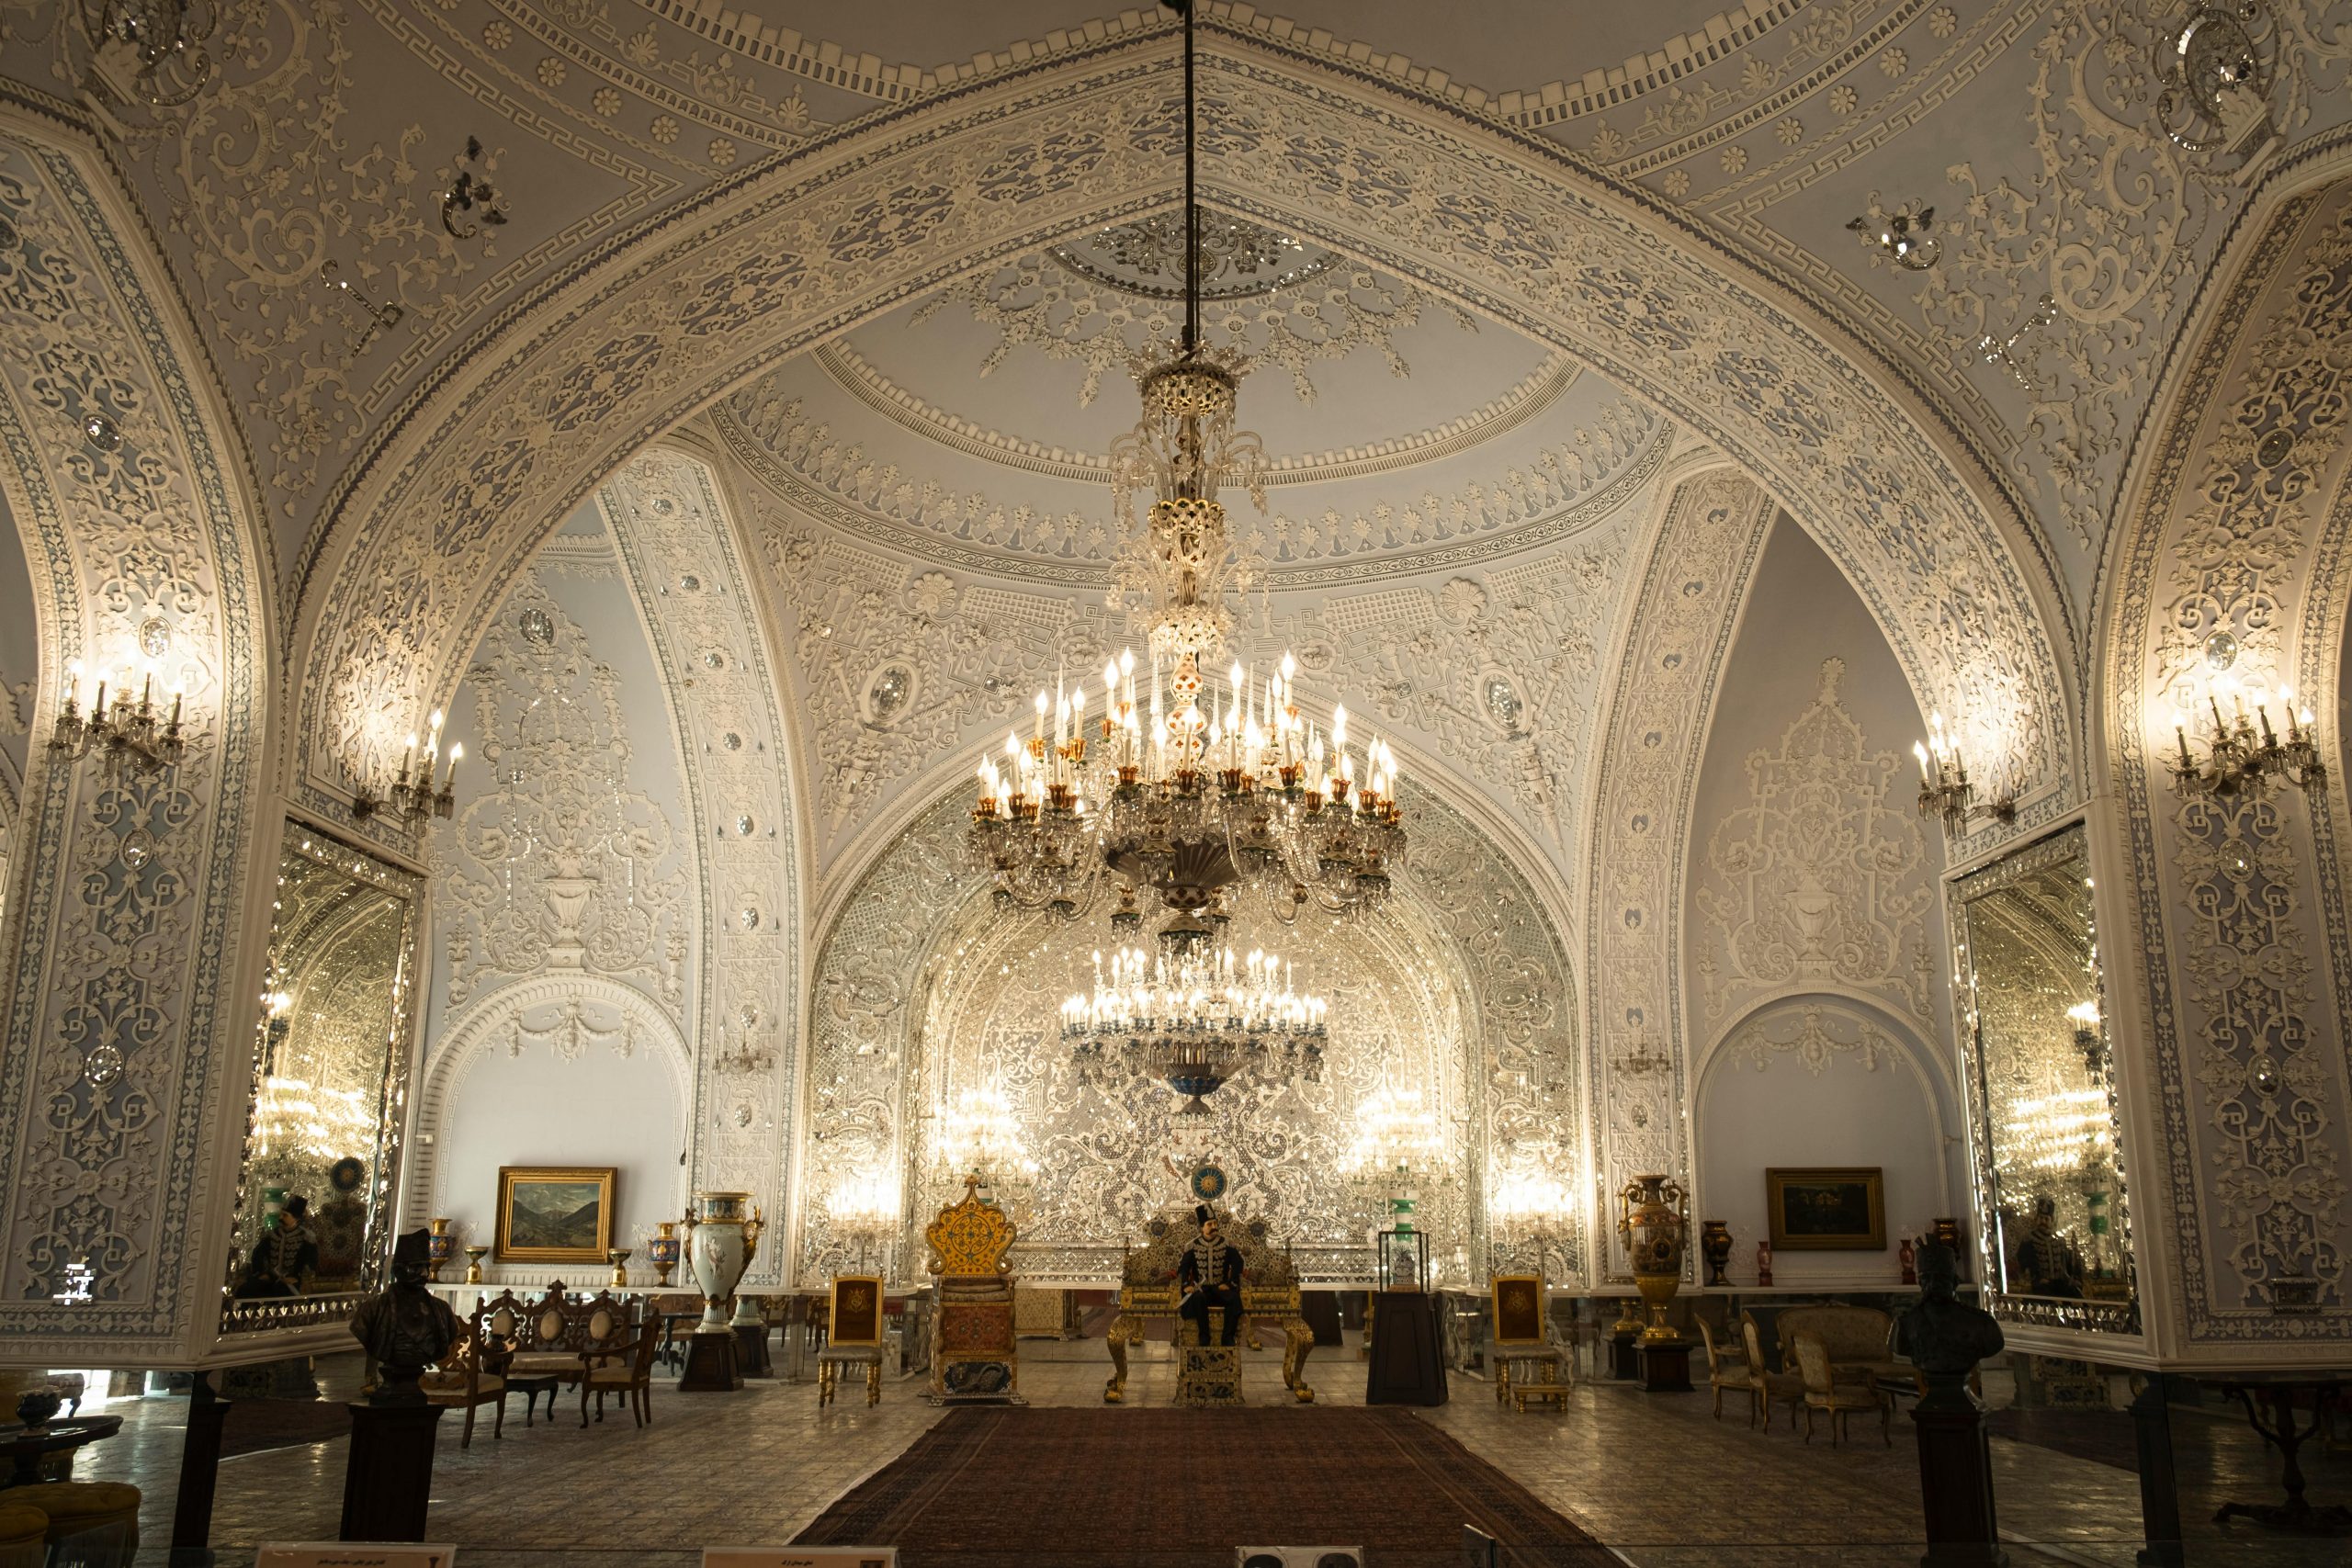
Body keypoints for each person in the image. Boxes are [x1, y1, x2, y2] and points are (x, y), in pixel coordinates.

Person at [1178, 1204, 1244, 1347]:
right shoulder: (1192, 1246)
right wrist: (1186, 1285)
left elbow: (1238, 1264)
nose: (1214, 1226)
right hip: (1201, 1290)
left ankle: (1227, 1337)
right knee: (1198, 1298)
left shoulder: (1226, 1244)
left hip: (1220, 1289)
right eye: (1209, 1224)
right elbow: (1183, 1268)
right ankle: (1204, 1337)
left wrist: (1230, 1283)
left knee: (1234, 1299)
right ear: (1202, 1227)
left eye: (1215, 1223)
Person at [236, 1195, 317, 1298]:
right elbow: (258, 1255)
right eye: (281, 1214)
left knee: (280, 1290)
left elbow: (310, 1262)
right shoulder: (272, 1235)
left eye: (285, 1215)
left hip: (292, 1280)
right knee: (247, 1289)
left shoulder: (306, 1238)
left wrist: (298, 1278)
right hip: (271, 1277)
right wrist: (262, 1273)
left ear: (296, 1218)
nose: (280, 1218)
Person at [2011, 1196, 2084, 1297]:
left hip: (2060, 1285)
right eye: (2041, 1218)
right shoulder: (2028, 1241)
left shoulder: (2059, 1242)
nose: (2043, 1222)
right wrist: (2036, 1278)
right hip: (2039, 1286)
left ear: (2052, 1220)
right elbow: (2024, 1264)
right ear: (2036, 1219)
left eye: (2046, 1219)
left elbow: (2066, 1265)